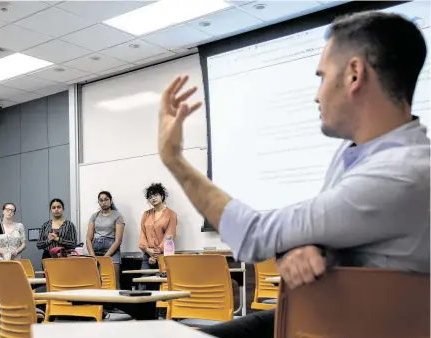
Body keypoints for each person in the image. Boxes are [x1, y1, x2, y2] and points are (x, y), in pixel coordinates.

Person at [157, 11, 429, 337]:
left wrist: (174, 160)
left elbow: (254, 235)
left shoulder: (402, 173)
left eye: (322, 76)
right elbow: (331, 228)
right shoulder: (355, 153)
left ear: (355, 75)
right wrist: (306, 248)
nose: (317, 94)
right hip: (325, 316)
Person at [86, 191, 125, 287]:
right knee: (96, 283)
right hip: (95, 249)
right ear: (98, 202)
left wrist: (105, 258)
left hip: (111, 249)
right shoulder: (94, 216)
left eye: (106, 199)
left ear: (111, 201)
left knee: (114, 283)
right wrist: (92, 257)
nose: (104, 202)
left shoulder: (117, 215)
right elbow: (88, 238)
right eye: (101, 200)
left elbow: (118, 241)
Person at [139, 183, 177, 270]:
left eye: (155, 195)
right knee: (144, 281)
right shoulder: (146, 214)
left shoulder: (171, 214)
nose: (153, 198)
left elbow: (170, 235)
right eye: (150, 196)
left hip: (164, 254)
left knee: (163, 282)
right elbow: (142, 234)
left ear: (162, 196)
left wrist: (156, 253)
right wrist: (147, 250)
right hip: (147, 254)